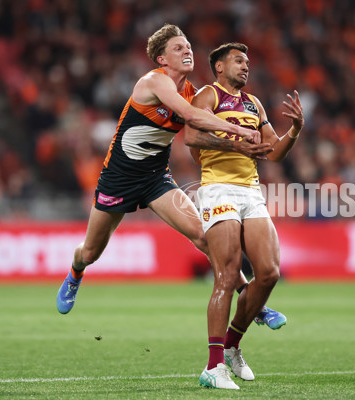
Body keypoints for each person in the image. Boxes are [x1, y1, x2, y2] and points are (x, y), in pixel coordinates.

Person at [55, 25, 286, 331]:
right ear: (162, 59)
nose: (187, 51)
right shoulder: (154, 81)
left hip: (156, 179)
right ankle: (75, 272)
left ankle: (251, 299)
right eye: (178, 48)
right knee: (91, 251)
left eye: (188, 46)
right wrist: (240, 130)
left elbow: (195, 134)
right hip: (118, 178)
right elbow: (190, 117)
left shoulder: (194, 92)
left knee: (204, 236)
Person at [185, 42, 304, 390]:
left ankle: (234, 343)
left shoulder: (253, 104)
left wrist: (294, 130)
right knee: (226, 274)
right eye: (238, 60)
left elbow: (275, 152)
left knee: (268, 273)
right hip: (218, 187)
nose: (245, 66)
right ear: (219, 67)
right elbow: (191, 136)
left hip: (251, 192)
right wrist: (234, 144)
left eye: (247, 61)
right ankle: (213, 365)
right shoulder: (209, 95)